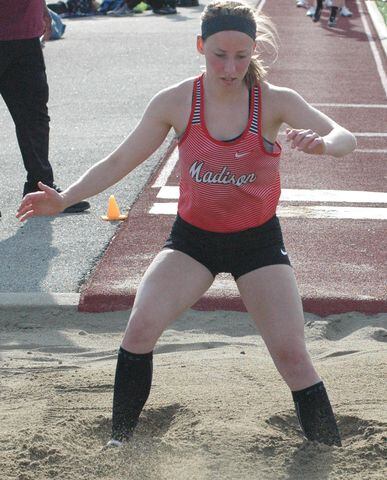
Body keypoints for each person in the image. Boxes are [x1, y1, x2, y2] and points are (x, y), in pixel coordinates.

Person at [17, 0, 357, 448]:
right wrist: (65, 198)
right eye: (219, 55)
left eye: (241, 56)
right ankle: (120, 442)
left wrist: (322, 146)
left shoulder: (275, 101)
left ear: (254, 52)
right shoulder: (177, 101)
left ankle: (327, 451)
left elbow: (345, 138)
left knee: (293, 355)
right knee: (140, 327)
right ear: (200, 46)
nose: (230, 67)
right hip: (192, 242)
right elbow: (120, 159)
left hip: (257, 244)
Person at [0, 0, 90, 218]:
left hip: (26, 36)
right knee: (34, 117)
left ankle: (40, 189)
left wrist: (42, 8)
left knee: (35, 117)